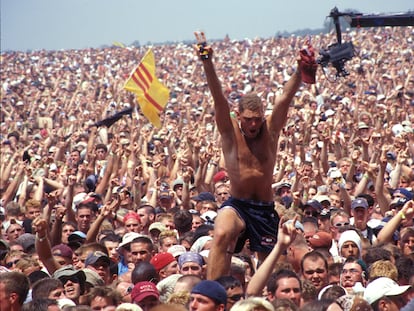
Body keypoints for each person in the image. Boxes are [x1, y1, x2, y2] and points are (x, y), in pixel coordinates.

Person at [194, 31, 310, 280]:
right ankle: (213, 291)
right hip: (237, 204)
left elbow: (284, 100)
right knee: (222, 233)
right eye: (248, 120)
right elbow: (218, 98)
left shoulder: (270, 131)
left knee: (272, 270)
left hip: (265, 208)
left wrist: (300, 70)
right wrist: (208, 62)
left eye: (258, 119)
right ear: (239, 116)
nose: (254, 125)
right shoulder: (230, 131)